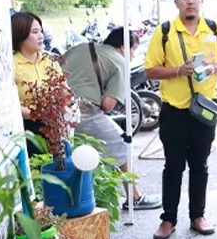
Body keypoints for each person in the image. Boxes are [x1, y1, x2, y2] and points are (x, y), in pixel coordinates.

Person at [143, 0, 217, 239]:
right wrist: (177, 71)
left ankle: (198, 216)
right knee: (173, 167)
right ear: (176, 3)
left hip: (205, 109)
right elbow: (149, 69)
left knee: (200, 164)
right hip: (174, 110)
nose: (190, 1)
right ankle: (168, 219)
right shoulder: (165, 32)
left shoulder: (214, 29)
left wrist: (214, 67)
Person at [60, 26, 161, 210]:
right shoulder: (119, 61)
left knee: (69, 154)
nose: (133, 54)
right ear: (123, 47)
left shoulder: (81, 47)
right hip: (84, 114)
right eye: (133, 49)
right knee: (122, 144)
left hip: (56, 111)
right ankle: (134, 197)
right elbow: (107, 104)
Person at [12, 11, 61, 155]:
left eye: (41, 31)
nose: (41, 36)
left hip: (53, 126)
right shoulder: (11, 65)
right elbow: (6, 103)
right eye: (35, 32)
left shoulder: (50, 61)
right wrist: (32, 114)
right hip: (25, 129)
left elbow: (64, 90)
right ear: (20, 34)